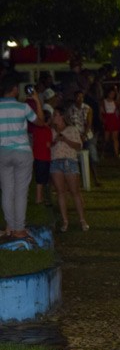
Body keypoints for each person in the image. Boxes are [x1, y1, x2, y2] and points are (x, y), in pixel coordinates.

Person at [0, 77, 46, 240]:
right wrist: (37, 100)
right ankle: (19, 229)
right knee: (21, 191)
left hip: (3, 152)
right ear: (14, 89)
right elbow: (41, 122)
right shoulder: (23, 107)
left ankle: (10, 226)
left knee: (7, 191)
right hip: (22, 152)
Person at [49, 108, 90, 232]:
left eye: (55, 115)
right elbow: (47, 146)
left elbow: (78, 146)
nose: (53, 117)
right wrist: (54, 142)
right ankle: (65, 221)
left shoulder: (72, 129)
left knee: (75, 191)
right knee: (60, 192)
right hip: (55, 162)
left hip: (69, 161)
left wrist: (65, 139)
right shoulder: (51, 131)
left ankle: (82, 219)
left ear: (62, 116)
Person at [66, 89, 100, 186]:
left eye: (81, 97)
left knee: (93, 157)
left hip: (87, 136)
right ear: (74, 98)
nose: (80, 99)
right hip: (76, 137)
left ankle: (95, 178)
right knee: (77, 159)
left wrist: (84, 135)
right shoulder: (70, 110)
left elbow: (89, 123)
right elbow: (70, 123)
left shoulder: (88, 108)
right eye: (78, 97)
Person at [32, 110, 53, 206]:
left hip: (36, 156)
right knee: (43, 180)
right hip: (45, 157)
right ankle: (40, 198)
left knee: (39, 178)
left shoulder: (36, 129)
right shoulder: (48, 130)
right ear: (48, 119)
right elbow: (48, 144)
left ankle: (39, 197)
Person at [102, 87, 120, 158]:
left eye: (113, 94)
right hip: (107, 119)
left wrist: (117, 91)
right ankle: (103, 152)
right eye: (111, 94)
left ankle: (116, 153)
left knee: (115, 138)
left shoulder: (115, 102)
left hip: (114, 119)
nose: (112, 95)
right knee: (106, 138)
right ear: (108, 94)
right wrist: (103, 120)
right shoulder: (104, 101)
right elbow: (101, 111)